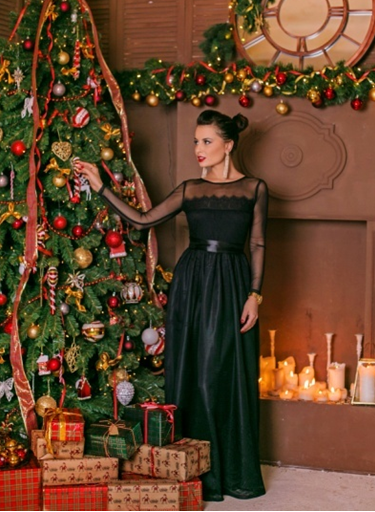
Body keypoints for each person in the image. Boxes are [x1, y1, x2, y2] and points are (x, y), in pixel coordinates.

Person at [78, 109, 268, 501]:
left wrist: (255, 294)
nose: (198, 148)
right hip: (191, 285)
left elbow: (258, 243)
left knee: (222, 374)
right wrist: (101, 187)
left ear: (228, 145)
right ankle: (197, 473)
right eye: (196, 141)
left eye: (206, 141)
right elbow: (142, 220)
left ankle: (232, 471)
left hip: (232, 285)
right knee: (194, 373)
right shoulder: (190, 189)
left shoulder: (254, 188)